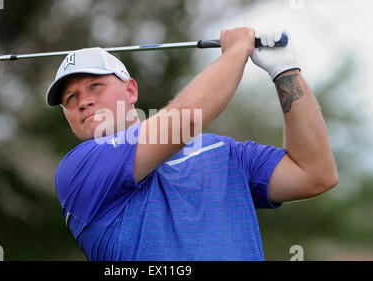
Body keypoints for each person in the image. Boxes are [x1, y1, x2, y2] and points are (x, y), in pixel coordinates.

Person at [45, 27, 338, 261]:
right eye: (70, 98)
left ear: (130, 90)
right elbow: (182, 122)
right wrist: (237, 50)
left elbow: (315, 174)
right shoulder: (78, 169)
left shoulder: (222, 152)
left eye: (95, 86)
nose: (84, 101)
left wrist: (285, 72)